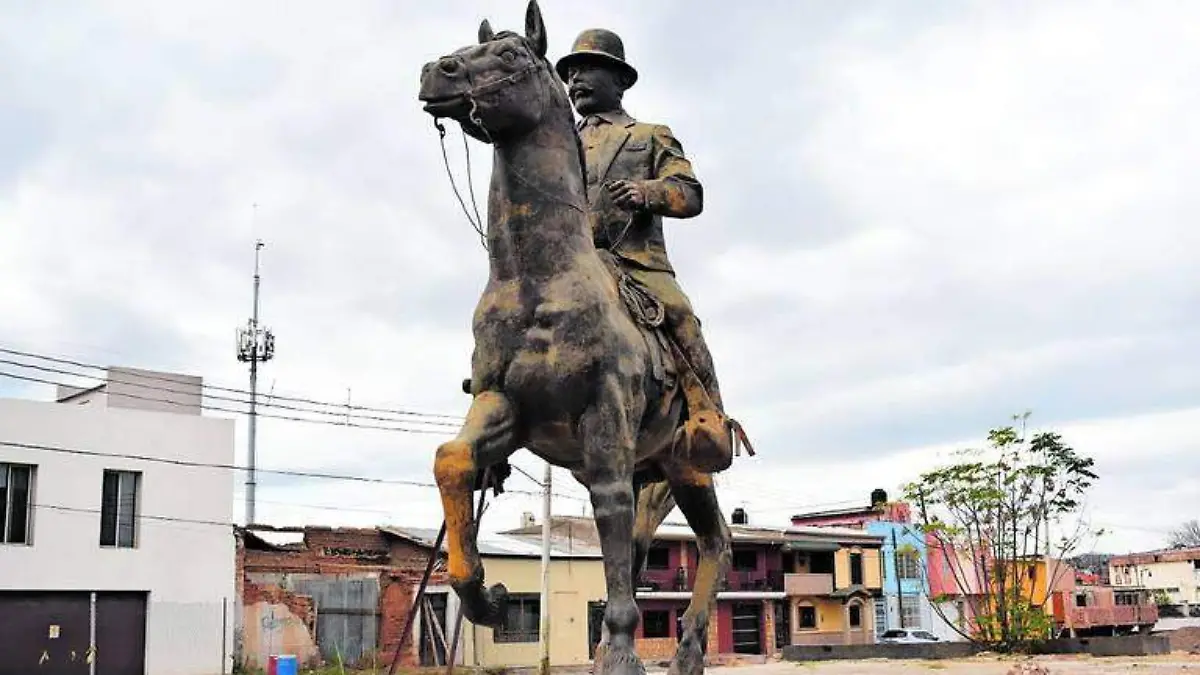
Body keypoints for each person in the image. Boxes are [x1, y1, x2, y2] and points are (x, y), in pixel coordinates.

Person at [556, 28, 731, 470]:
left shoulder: (650, 135)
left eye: (587, 69)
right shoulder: (556, 143)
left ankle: (707, 419)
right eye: (571, 73)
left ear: (619, 80)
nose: (575, 80)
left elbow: (690, 195)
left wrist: (646, 191)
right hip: (570, 266)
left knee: (682, 317)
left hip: (636, 264)